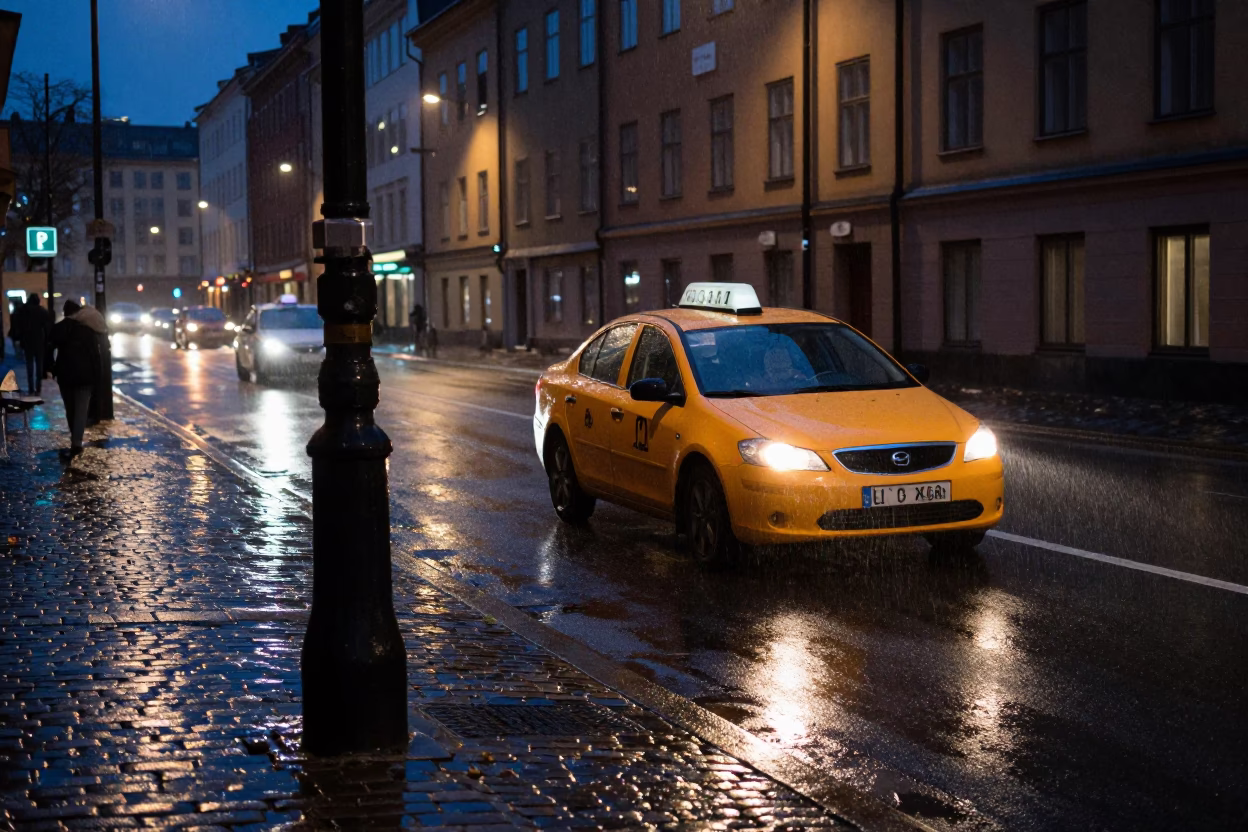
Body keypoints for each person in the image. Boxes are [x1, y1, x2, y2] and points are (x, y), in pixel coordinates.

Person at [50, 300, 104, 457]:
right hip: (85, 376)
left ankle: (74, 435)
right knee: (81, 410)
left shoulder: (59, 328)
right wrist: (98, 377)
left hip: (65, 375)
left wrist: (52, 368)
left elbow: (49, 348)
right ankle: (76, 442)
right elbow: (95, 356)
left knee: (70, 408)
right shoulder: (88, 331)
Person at [19, 294, 51, 395]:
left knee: (29, 365)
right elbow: (47, 327)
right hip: (39, 341)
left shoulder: (24, 311)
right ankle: (38, 388)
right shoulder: (42, 311)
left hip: (28, 341)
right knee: (39, 365)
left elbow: (20, 326)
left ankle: (31, 388)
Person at [7, 296, 25, 361]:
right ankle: (21, 355)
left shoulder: (13, 314)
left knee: (17, 346)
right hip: (21, 332)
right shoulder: (23, 313)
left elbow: (13, 324)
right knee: (21, 345)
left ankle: (19, 356)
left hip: (15, 332)